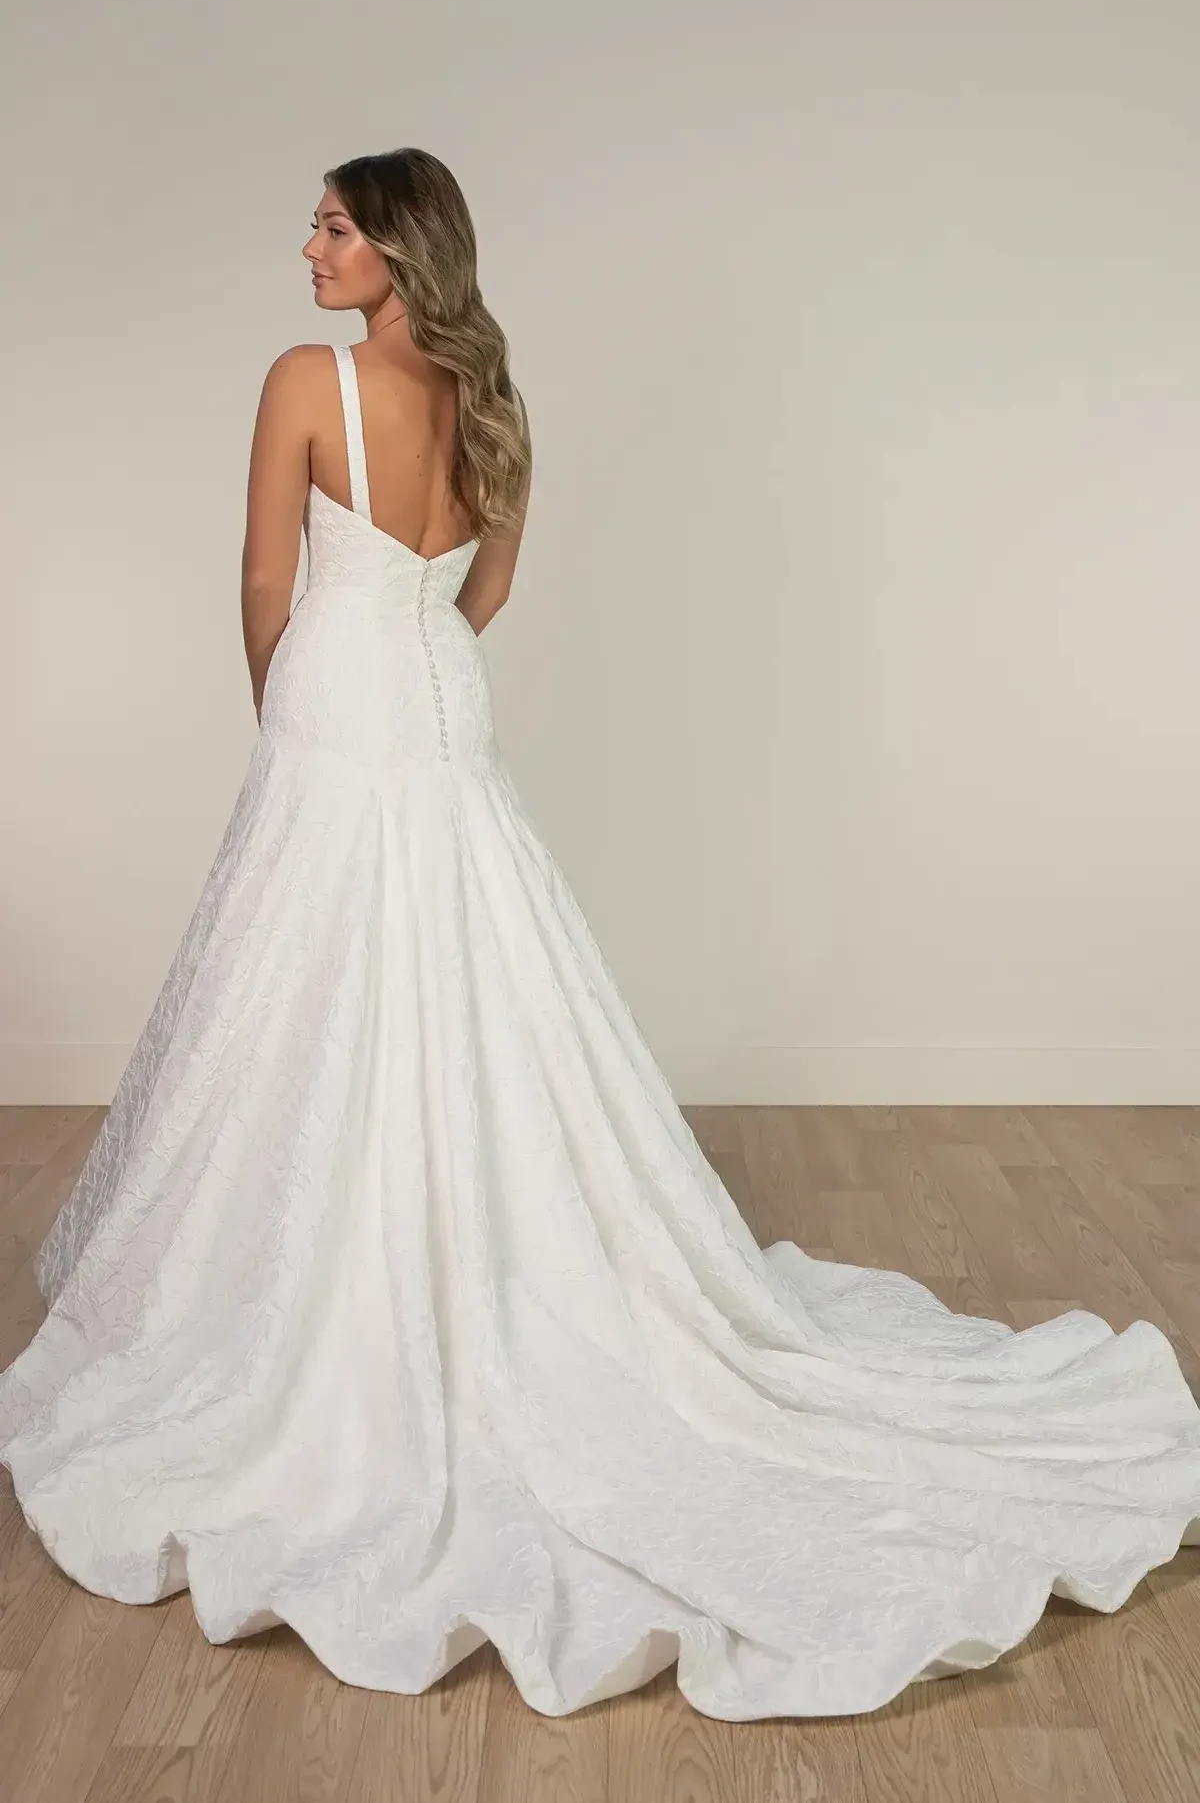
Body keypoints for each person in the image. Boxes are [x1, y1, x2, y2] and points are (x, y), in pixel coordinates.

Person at [2, 147, 1198, 1723]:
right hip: (441, 711)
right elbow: (484, 594)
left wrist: (292, 706)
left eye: (336, 226)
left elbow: (263, 575)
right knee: (472, 995)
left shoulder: (308, 377)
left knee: (300, 1002)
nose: (308, 247)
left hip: (333, 713)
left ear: (398, 251)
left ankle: (310, 1307)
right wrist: (406, 655)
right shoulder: (494, 406)